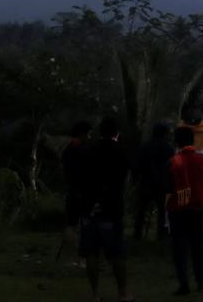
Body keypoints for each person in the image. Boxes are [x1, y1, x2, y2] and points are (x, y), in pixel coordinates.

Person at [79, 116, 133, 302]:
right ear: (116, 133)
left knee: (91, 253)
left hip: (88, 207)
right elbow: (127, 175)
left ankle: (94, 294)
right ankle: (123, 293)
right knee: (116, 253)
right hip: (112, 207)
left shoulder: (87, 150)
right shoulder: (120, 151)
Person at [167, 124, 203, 296]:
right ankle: (202, 282)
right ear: (192, 140)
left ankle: (183, 284)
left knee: (179, 248)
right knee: (198, 247)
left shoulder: (173, 162)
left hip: (178, 209)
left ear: (176, 142)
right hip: (197, 207)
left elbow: (168, 186)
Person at [57, 120, 92, 264]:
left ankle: (71, 255)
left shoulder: (68, 149)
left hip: (72, 190)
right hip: (80, 191)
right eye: (88, 134)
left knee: (72, 223)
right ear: (82, 134)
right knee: (82, 224)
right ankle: (79, 256)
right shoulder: (80, 150)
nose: (89, 137)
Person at [134, 122, 174, 241]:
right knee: (162, 211)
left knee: (141, 210)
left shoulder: (145, 146)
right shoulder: (168, 148)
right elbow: (171, 166)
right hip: (161, 183)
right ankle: (160, 235)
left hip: (146, 182)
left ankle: (137, 234)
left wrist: (136, 178)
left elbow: (138, 164)